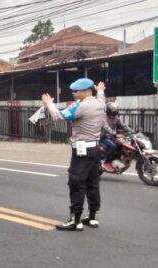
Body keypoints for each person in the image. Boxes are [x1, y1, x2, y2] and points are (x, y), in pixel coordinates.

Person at [41, 78, 106, 231]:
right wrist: (101, 90)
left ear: (85, 91)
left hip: (82, 151)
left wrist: (49, 103)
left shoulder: (82, 107)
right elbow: (101, 95)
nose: (73, 93)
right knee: (93, 183)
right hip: (95, 149)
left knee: (76, 183)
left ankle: (75, 220)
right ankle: (93, 217)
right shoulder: (100, 102)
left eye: (76, 91)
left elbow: (58, 116)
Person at [100, 102, 134, 172]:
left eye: (115, 110)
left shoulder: (115, 118)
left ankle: (116, 160)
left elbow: (123, 125)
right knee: (113, 146)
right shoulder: (103, 117)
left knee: (121, 145)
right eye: (113, 110)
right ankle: (106, 162)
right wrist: (114, 133)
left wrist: (132, 131)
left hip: (110, 136)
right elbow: (106, 127)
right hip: (102, 137)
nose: (115, 111)